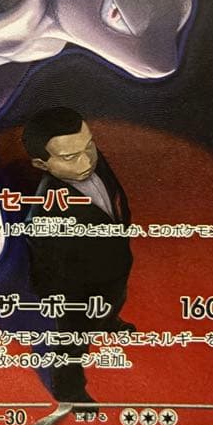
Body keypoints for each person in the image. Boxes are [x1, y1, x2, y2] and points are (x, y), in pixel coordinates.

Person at [22, 107, 135, 405]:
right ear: (41, 164)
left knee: (115, 298)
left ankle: (109, 322)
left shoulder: (95, 161)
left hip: (114, 266)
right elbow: (49, 270)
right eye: (70, 157)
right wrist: (67, 304)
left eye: (89, 146)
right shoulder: (43, 215)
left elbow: (115, 200)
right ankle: (69, 390)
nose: (86, 162)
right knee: (73, 342)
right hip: (76, 292)